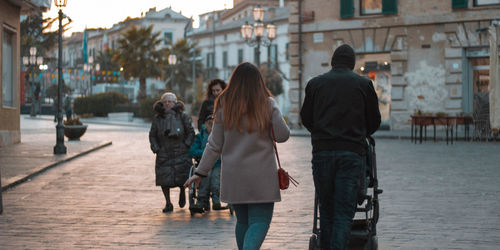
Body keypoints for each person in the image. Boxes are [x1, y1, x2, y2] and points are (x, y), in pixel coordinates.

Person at [184, 62, 290, 249]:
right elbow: (282, 135)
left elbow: (214, 145)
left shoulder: (225, 106)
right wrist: (273, 111)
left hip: (234, 176)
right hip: (261, 176)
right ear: (258, 83)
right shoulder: (267, 104)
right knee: (260, 221)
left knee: (243, 222)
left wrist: (200, 172)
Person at [300, 44, 381, 250]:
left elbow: (306, 119)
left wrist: (322, 134)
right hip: (351, 153)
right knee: (344, 212)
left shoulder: (315, 84)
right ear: (352, 64)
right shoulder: (363, 84)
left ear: (333, 62)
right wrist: (359, 133)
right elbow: (374, 121)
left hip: (322, 152)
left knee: (326, 211)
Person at [149, 92, 195, 213]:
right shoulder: (157, 119)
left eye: (170, 101)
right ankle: (168, 202)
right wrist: (156, 148)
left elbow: (190, 132)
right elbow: (152, 135)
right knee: (164, 179)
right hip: (164, 152)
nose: (168, 104)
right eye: (165, 102)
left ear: (175, 103)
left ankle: (182, 192)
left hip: (181, 151)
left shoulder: (182, 116)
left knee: (182, 175)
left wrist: (186, 145)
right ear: (162, 104)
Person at [189, 114, 226, 212]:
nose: (211, 125)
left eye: (213, 123)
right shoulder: (200, 137)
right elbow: (192, 150)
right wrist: (206, 153)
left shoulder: (222, 136)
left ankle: (216, 200)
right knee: (205, 177)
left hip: (218, 164)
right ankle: (201, 200)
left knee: (215, 179)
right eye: (209, 123)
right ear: (205, 124)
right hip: (203, 164)